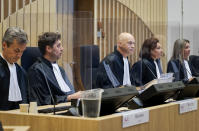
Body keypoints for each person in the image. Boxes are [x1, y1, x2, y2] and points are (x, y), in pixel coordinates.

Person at [28, 32, 80, 106]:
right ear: (48, 48)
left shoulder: (60, 69)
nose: (62, 48)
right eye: (58, 46)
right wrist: (70, 97)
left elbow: (70, 92)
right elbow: (43, 100)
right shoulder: (36, 70)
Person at [0, 27, 28, 110]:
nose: (19, 55)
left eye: (22, 51)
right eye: (16, 51)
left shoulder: (22, 72)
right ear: (4, 45)